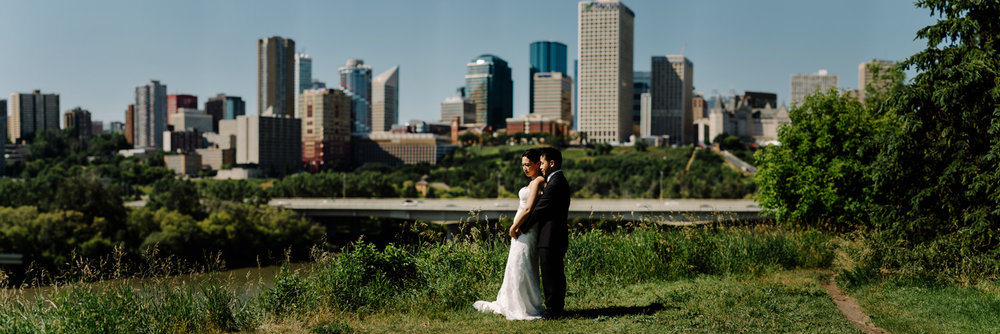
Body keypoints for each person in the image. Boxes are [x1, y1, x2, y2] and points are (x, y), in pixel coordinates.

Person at [473, 148, 547, 320]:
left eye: (528, 165)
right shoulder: (532, 181)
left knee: (522, 266)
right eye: (523, 165)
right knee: (516, 265)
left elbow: (528, 208)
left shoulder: (539, 181)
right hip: (522, 230)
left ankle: (524, 305)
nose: (525, 168)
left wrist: (514, 226)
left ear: (537, 164)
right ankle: (513, 302)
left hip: (525, 230)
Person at [518, 147, 570, 319]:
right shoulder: (555, 180)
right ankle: (556, 308)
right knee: (553, 273)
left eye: (543, 163)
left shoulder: (556, 183)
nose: (540, 166)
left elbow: (539, 210)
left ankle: (553, 310)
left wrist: (522, 229)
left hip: (551, 236)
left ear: (552, 163)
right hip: (552, 236)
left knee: (551, 275)